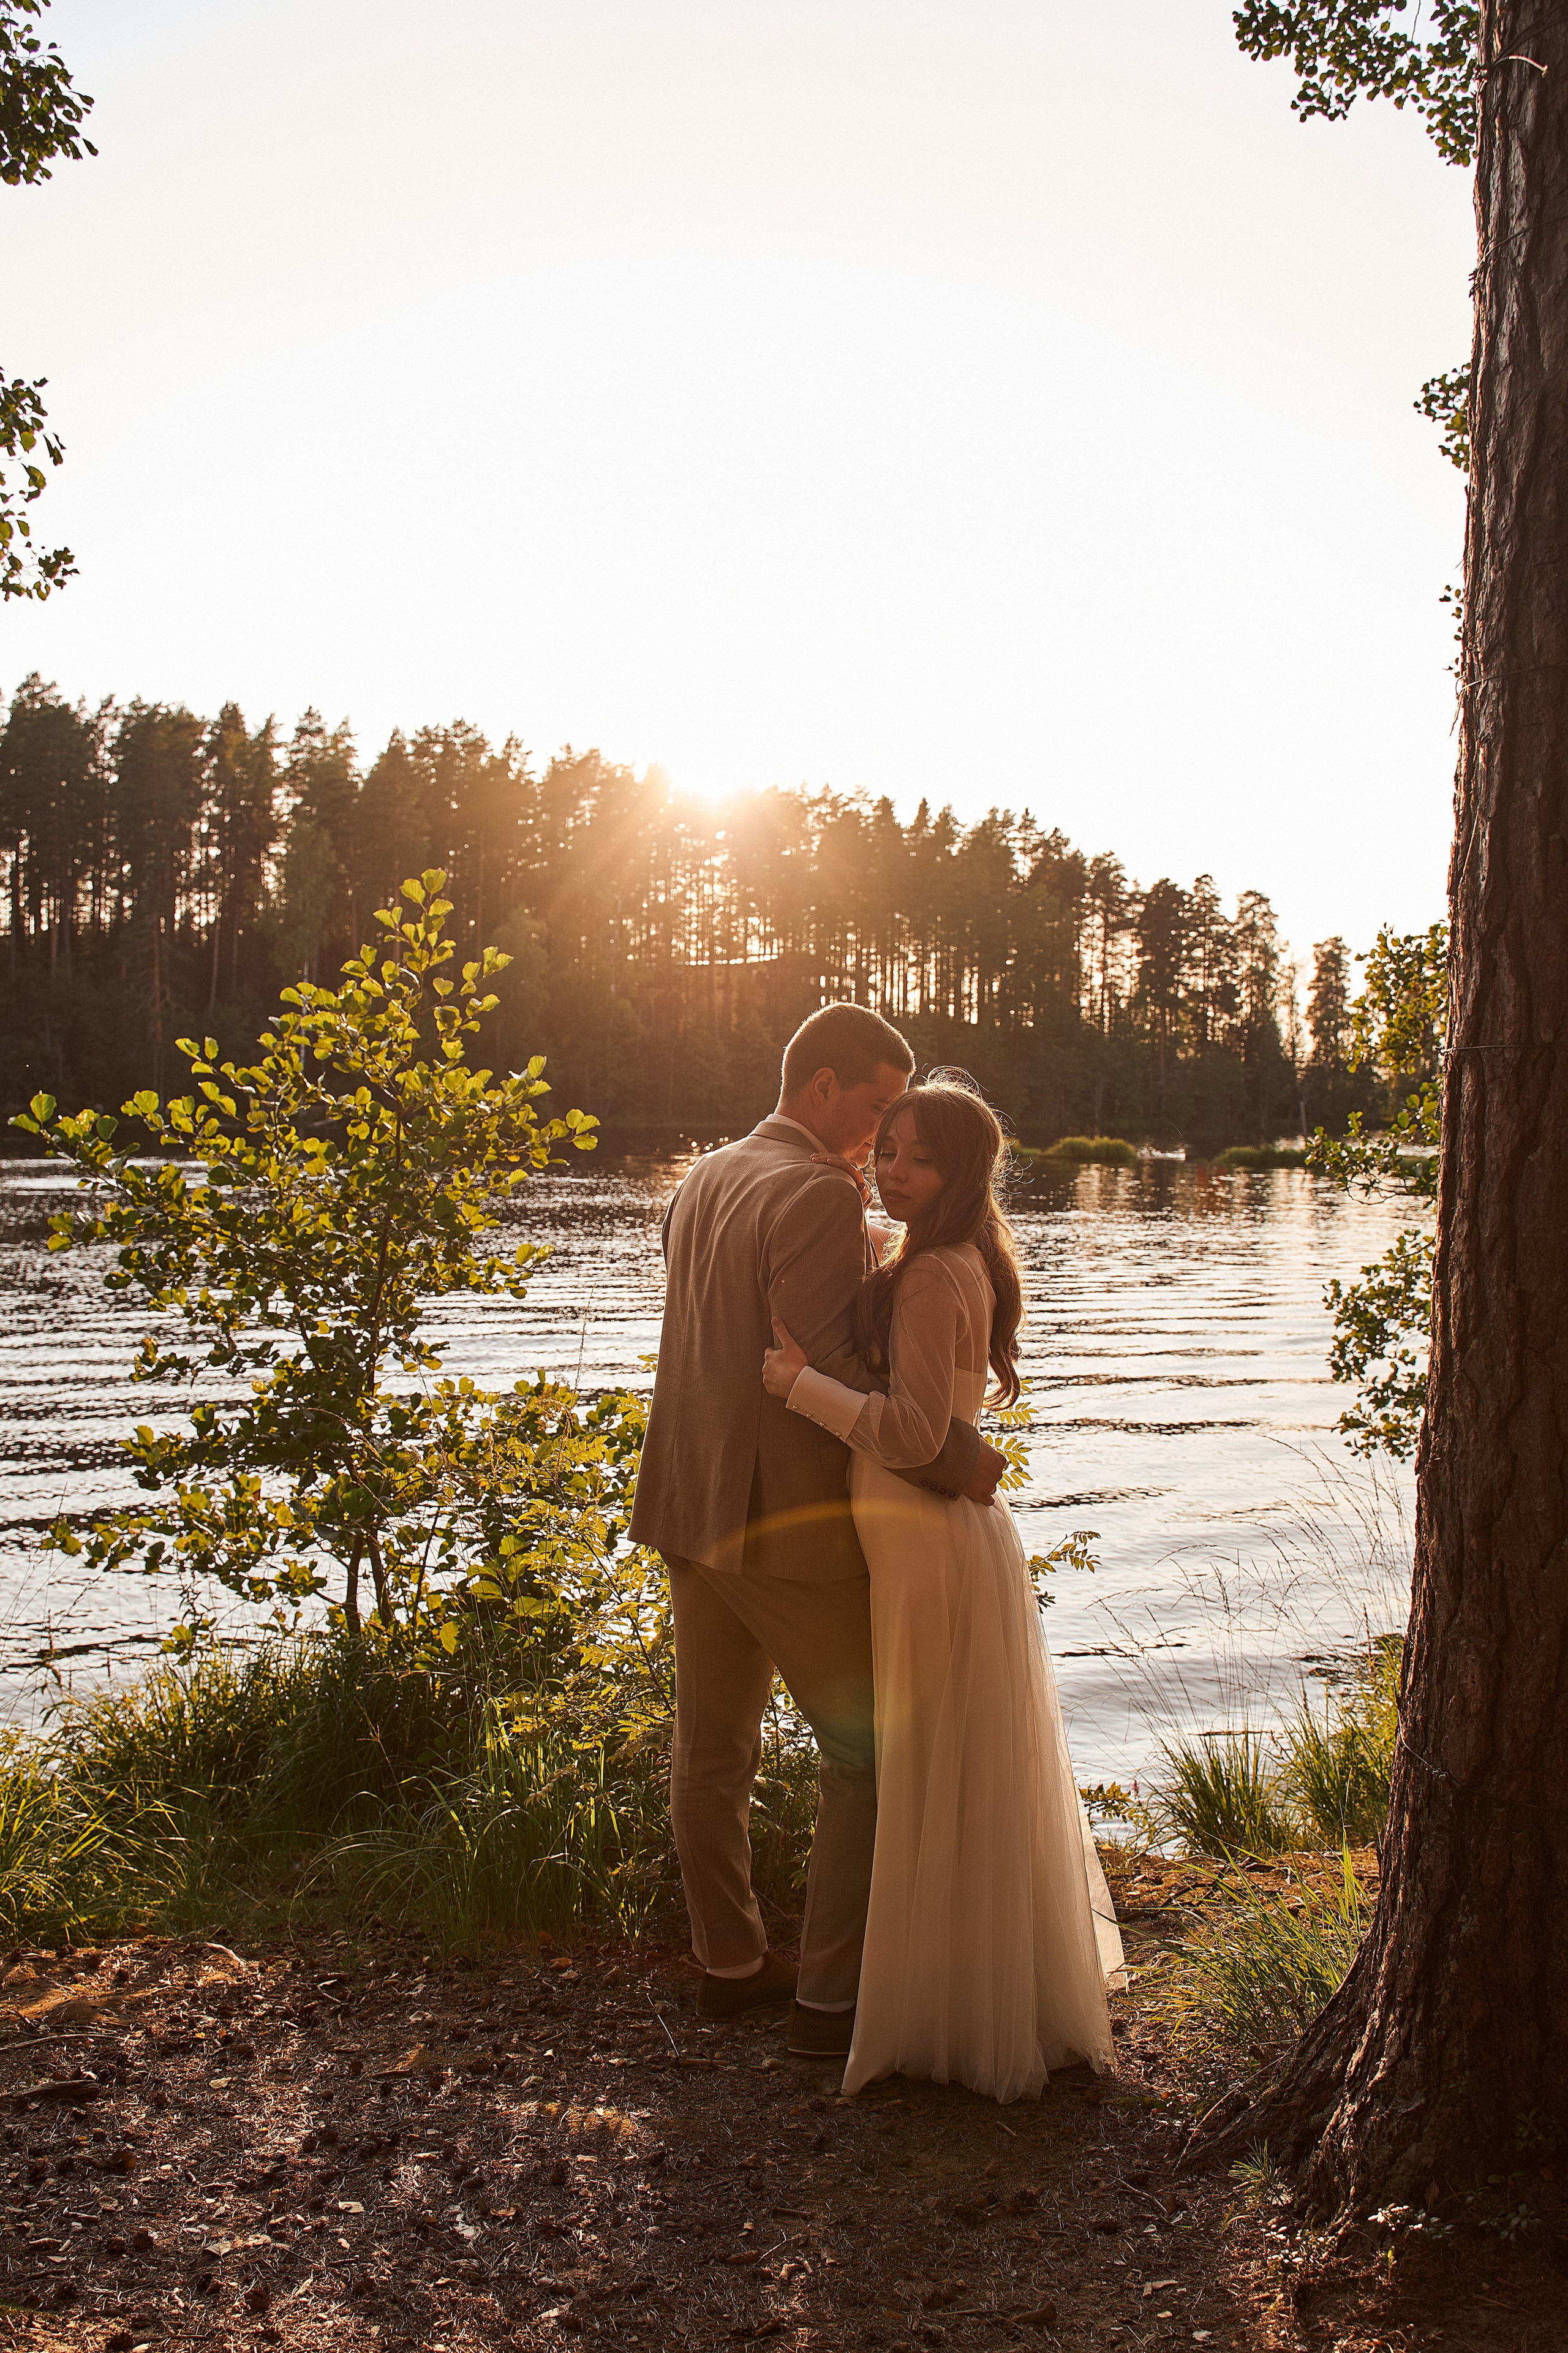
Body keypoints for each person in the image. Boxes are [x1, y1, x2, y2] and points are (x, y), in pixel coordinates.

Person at [630, 1006, 1007, 2058]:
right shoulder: (811, 1190)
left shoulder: (706, 1172)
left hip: (688, 1504)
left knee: (710, 1751)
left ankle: (730, 1963)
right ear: (825, 1086)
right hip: (781, 1522)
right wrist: (957, 1457)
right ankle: (829, 1998)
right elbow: (831, 1366)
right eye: (882, 1108)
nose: (885, 1138)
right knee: (869, 1756)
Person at [763, 1078, 1124, 2101]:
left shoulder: (930, 1277)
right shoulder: (943, 1258)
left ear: (959, 1171)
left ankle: (940, 2011)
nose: (890, 1170)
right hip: (936, 1539)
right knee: (950, 1770)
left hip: (927, 1542)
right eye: (885, 1152)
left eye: (915, 1158)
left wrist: (802, 1388)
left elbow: (919, 1435)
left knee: (927, 1769)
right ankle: (957, 1993)